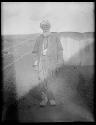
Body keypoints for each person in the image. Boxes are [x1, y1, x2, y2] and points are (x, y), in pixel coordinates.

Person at [32, 20, 64, 106]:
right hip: (41, 64)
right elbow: (35, 52)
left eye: (47, 27)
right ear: (41, 28)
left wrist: (59, 62)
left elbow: (60, 51)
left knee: (51, 81)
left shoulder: (55, 38)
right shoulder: (39, 38)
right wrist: (35, 64)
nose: (45, 29)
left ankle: (52, 98)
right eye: (43, 27)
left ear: (49, 27)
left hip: (52, 63)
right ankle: (44, 99)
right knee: (42, 82)